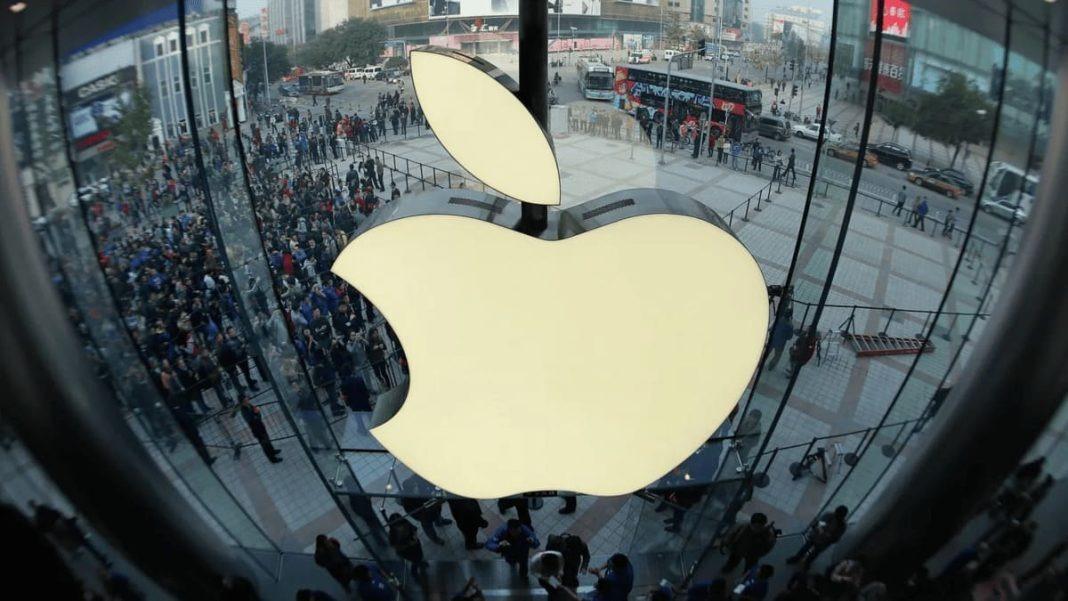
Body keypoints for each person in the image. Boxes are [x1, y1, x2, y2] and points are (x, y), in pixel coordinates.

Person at [239, 394, 282, 463]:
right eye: (246, 399)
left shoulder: (249, 405)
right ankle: (272, 459)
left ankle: (272, 451)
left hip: (260, 425)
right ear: (243, 401)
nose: (247, 400)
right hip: (256, 429)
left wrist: (257, 413)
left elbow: (258, 415)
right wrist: (256, 413)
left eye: (247, 398)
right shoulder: (244, 410)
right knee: (264, 444)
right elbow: (250, 419)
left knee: (267, 439)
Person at [763, 306, 794, 371]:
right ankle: (771, 366)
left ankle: (761, 363)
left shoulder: (779, 319)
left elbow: (771, 329)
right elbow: (789, 337)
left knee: (766, 352)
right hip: (781, 343)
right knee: (777, 356)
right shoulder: (790, 325)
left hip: (772, 339)